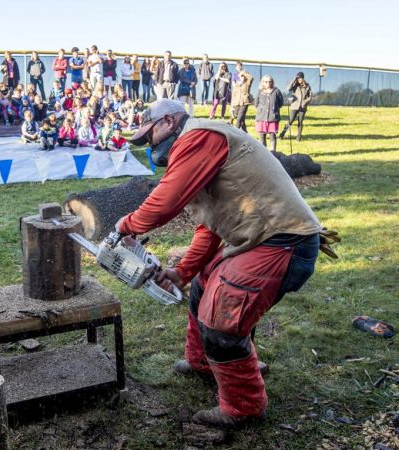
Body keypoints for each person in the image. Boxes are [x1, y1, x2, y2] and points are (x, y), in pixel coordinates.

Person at [122, 98, 323, 428]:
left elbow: (164, 204)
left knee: (222, 317)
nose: (149, 146)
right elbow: (209, 226)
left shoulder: (199, 137)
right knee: (204, 285)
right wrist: (184, 272)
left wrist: (125, 226)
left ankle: (244, 407)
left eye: (149, 136)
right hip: (262, 238)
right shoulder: (197, 150)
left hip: (284, 241)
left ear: (169, 122)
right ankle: (203, 363)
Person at [280, 72, 312, 141]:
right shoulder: (295, 85)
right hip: (294, 106)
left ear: (303, 78)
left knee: (300, 122)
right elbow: (288, 88)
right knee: (290, 121)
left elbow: (310, 97)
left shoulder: (307, 86)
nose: (299, 80)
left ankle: (298, 138)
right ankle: (281, 135)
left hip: (302, 107)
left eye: (300, 78)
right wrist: (294, 79)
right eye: (298, 78)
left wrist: (305, 102)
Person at [254, 76, 284, 151]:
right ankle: (263, 153)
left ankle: (273, 152)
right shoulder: (260, 92)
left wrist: (274, 109)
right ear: (263, 82)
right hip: (261, 118)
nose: (268, 83)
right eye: (266, 81)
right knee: (262, 136)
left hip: (273, 118)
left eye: (270, 81)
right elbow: (256, 103)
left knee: (272, 136)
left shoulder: (276, 91)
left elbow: (280, 103)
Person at [231, 61, 254, 132]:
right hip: (236, 103)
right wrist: (231, 107)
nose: (241, 77)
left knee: (239, 119)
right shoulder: (236, 86)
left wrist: (243, 73)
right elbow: (233, 95)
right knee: (241, 119)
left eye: (242, 76)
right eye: (240, 76)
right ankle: (245, 133)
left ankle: (236, 132)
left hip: (244, 102)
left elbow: (251, 78)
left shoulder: (247, 84)